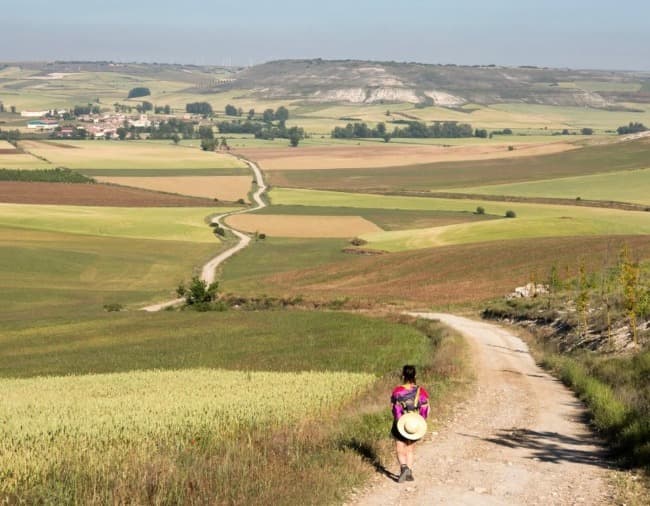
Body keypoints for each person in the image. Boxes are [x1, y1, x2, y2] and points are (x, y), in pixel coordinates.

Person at [390, 364, 429, 483]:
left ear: (403, 375)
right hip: (414, 424)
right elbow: (425, 408)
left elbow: (394, 408)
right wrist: (420, 421)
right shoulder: (421, 391)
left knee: (399, 448)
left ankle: (404, 468)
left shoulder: (397, 391)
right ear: (415, 375)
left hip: (402, 423)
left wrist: (398, 420)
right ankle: (410, 472)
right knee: (410, 449)